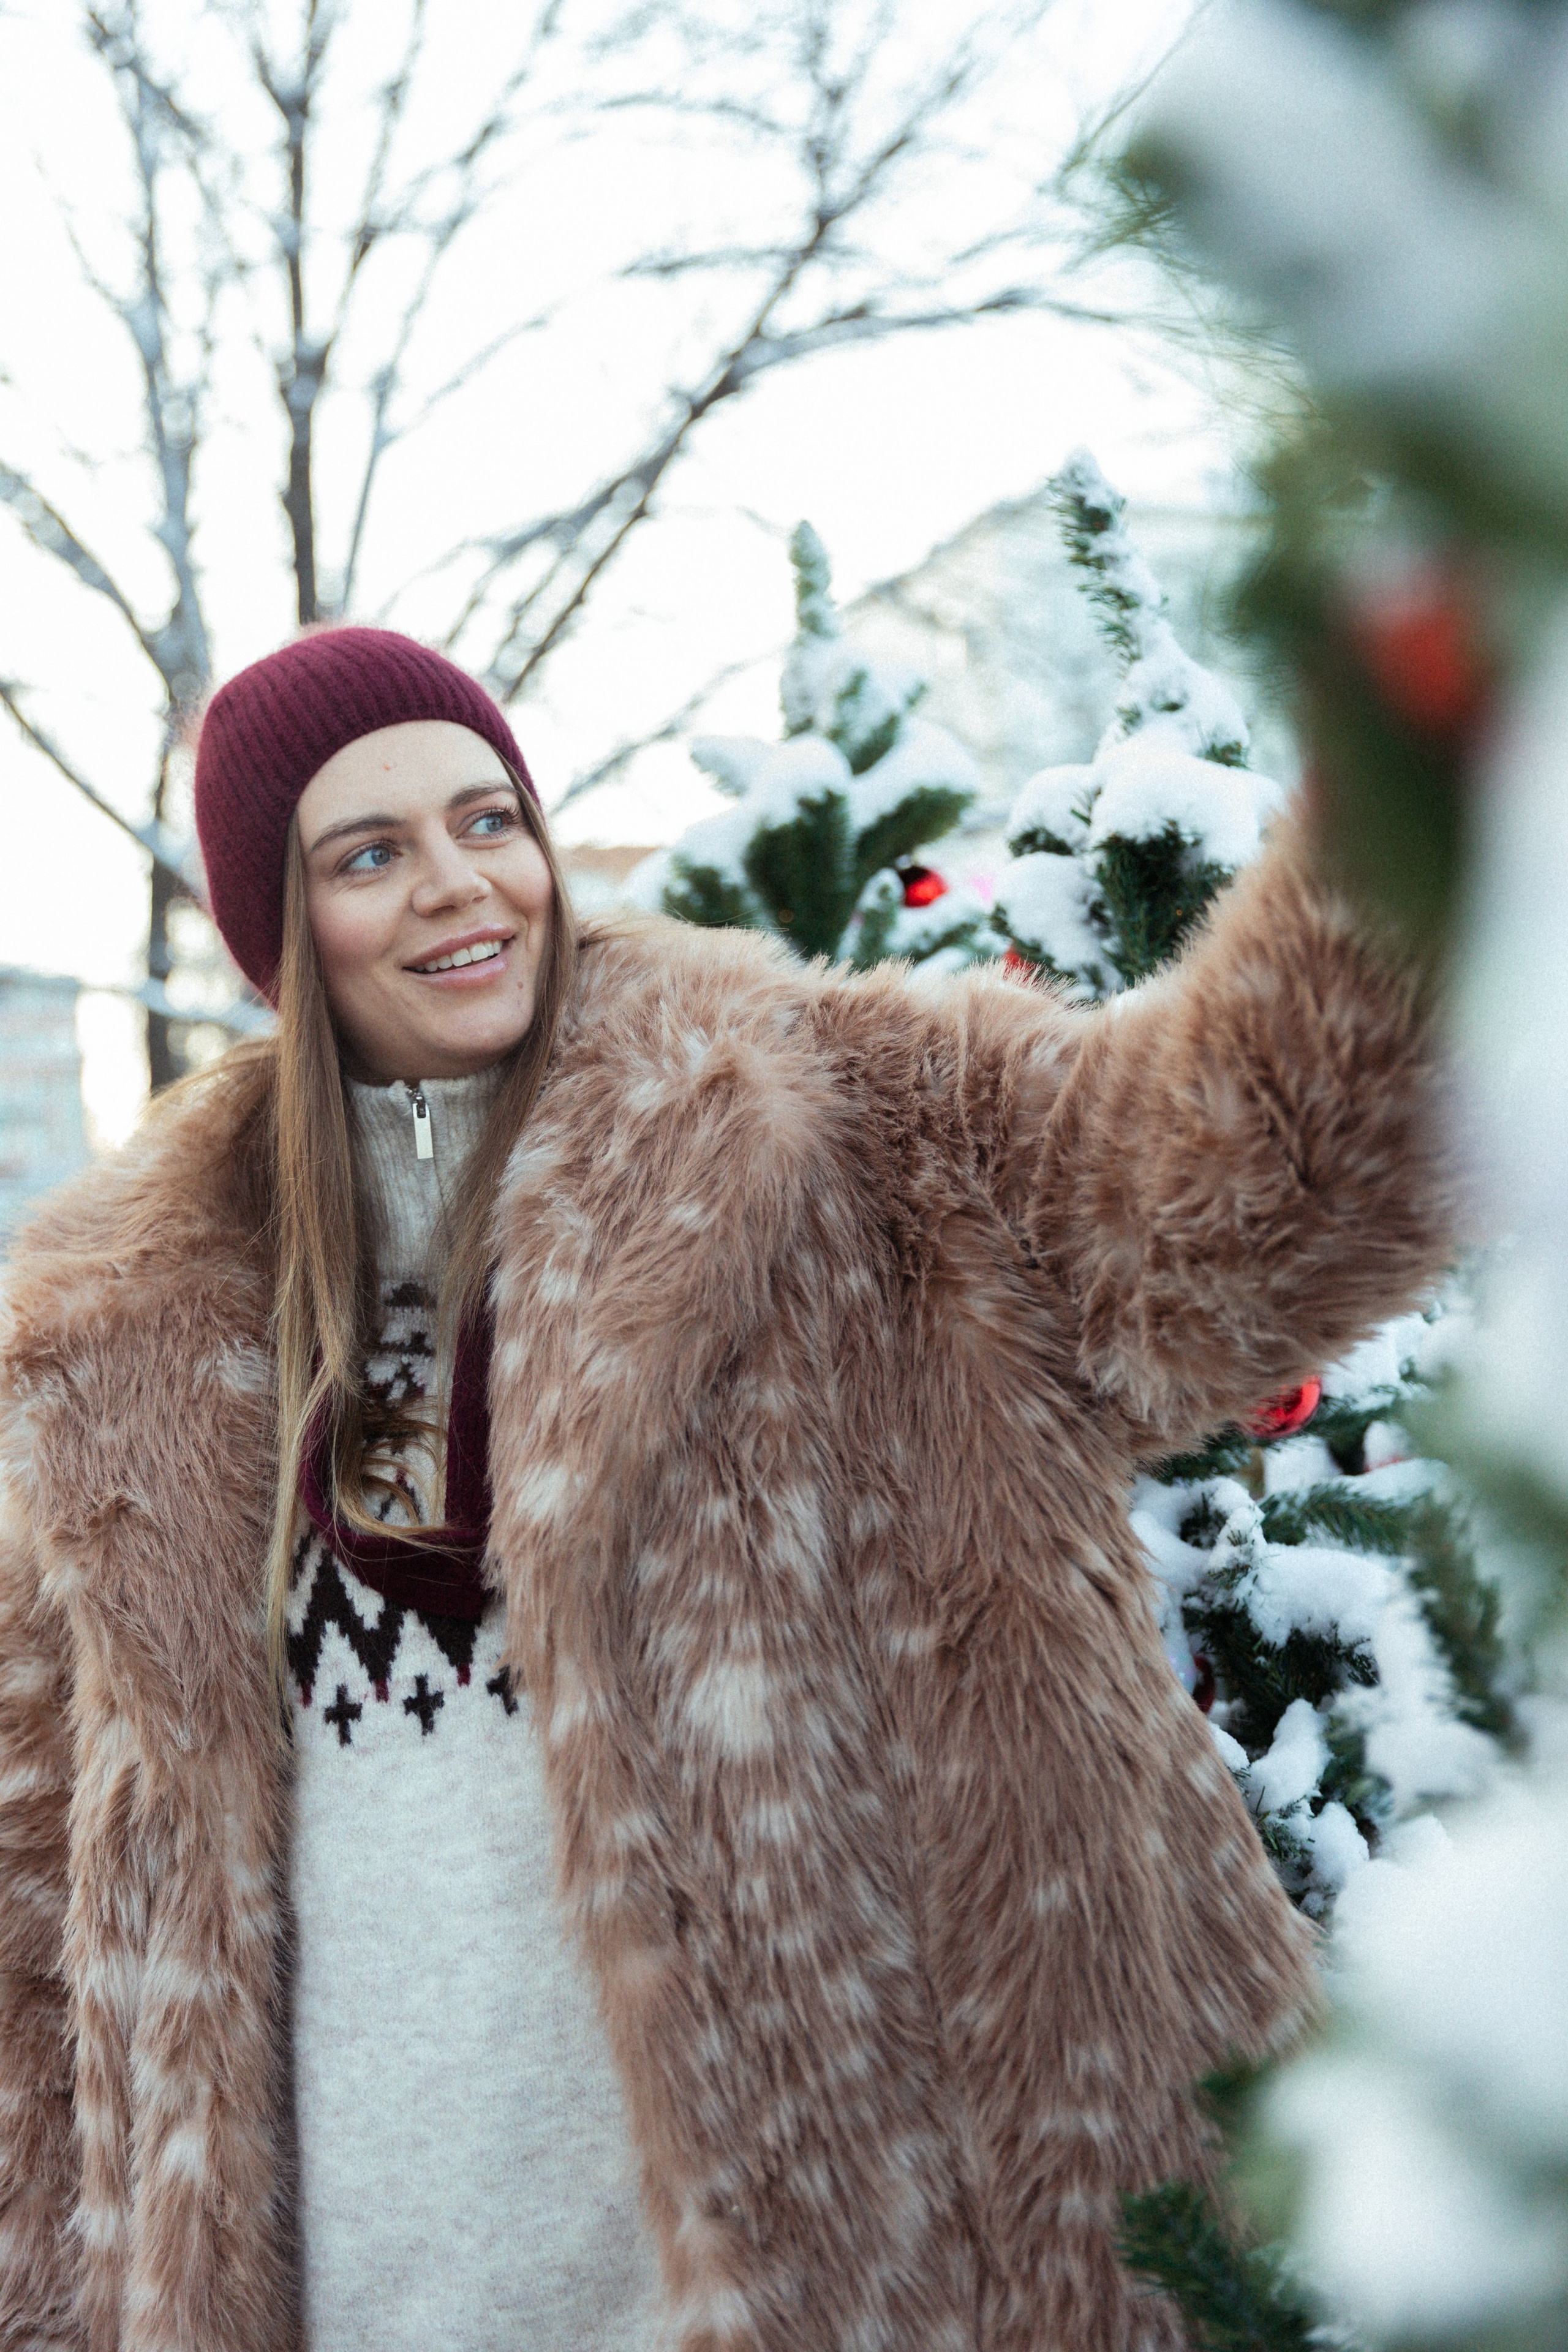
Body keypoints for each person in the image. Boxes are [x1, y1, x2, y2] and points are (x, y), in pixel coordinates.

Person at [0, 625, 1450, 2352]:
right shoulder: (121, 1332)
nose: (463, 885)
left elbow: (1254, 1183)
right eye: (369, 854)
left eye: (489, 819)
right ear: (275, 937)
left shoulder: (850, 1120)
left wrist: (1423, 777)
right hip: (364, 2291)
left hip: (851, 2263)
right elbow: (39, 1925)